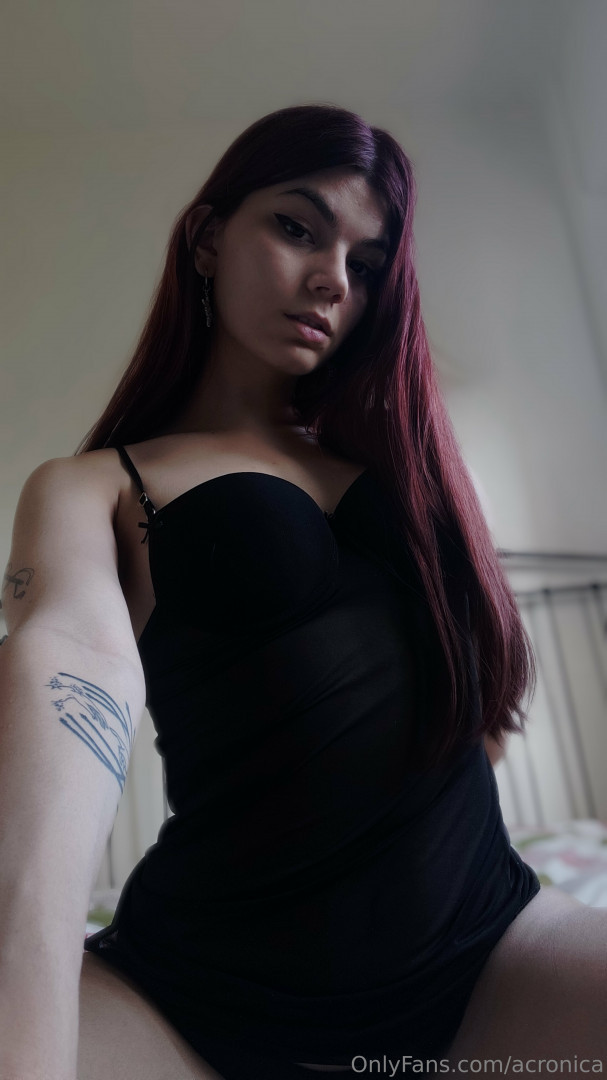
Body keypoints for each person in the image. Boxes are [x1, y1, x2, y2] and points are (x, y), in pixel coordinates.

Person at [0, 103, 605, 1080]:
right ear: (207, 239)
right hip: (197, 1002)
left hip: (489, 956)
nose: (333, 278)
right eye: (296, 227)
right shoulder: (94, 486)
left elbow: (469, 714)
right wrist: (24, 968)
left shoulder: (412, 473)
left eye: (366, 264)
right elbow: (65, 668)